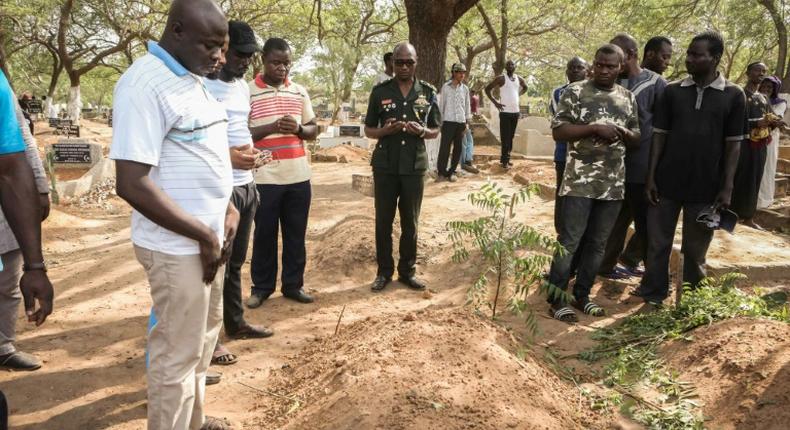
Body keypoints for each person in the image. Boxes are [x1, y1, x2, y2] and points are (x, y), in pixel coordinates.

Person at [109, 1, 238, 428]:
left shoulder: (192, 78)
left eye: (223, 47)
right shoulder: (144, 84)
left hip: (209, 241)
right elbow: (131, 182)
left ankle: (194, 422)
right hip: (178, 248)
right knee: (175, 358)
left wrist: (228, 207)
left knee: (200, 345)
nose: (219, 57)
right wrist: (202, 233)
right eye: (211, 45)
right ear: (177, 32)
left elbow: (205, 153)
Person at [637, 31, 746, 307]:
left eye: (697, 55)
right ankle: (653, 296)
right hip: (666, 182)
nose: (689, 59)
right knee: (657, 244)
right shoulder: (672, 91)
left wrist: (727, 186)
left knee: (695, 250)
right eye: (688, 53)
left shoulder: (734, 95)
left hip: (706, 186)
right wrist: (651, 177)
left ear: (715, 58)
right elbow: (659, 135)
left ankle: (690, 303)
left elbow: (734, 146)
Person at [546, 44, 640, 322]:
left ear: (621, 67)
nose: (604, 70)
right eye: (599, 64)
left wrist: (621, 132)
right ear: (593, 65)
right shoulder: (575, 92)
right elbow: (559, 131)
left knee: (598, 243)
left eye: (610, 66)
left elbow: (637, 136)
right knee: (570, 241)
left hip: (612, 185)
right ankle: (557, 298)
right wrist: (595, 128)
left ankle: (582, 295)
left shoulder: (628, 98)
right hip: (578, 183)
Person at [204, 20, 274, 368]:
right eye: (240, 55)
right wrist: (229, 155)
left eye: (250, 56)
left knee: (234, 262)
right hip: (219, 186)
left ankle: (235, 323)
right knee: (214, 263)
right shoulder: (200, 85)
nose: (246, 61)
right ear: (223, 49)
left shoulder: (242, 87)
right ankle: (211, 340)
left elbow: (239, 129)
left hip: (246, 184)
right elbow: (197, 139)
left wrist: (251, 154)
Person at [246, 37, 319, 308]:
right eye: (276, 62)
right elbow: (242, 133)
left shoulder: (299, 91)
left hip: (298, 177)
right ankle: (261, 288)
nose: (282, 68)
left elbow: (314, 128)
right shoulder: (248, 92)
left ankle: (293, 285)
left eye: (286, 63)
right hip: (265, 179)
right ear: (263, 60)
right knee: (264, 235)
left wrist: (299, 130)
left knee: (295, 235)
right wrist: (273, 126)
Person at [365, 42, 440, 292]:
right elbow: (368, 128)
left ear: (416, 62)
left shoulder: (428, 92)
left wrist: (424, 131)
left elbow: (436, 128)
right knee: (383, 221)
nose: (404, 67)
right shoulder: (380, 91)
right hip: (385, 166)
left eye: (409, 62)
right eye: (400, 62)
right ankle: (384, 272)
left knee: (411, 222)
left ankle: (407, 271)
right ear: (392, 63)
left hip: (414, 166)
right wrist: (385, 131)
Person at [598, 34, 668, 280]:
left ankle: (653, 281)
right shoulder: (612, 83)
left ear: (631, 54)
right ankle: (605, 266)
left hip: (642, 168)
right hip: (613, 167)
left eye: (618, 57)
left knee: (646, 224)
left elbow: (663, 129)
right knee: (614, 220)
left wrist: (656, 170)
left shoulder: (657, 84)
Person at [0, 72, 54, 371]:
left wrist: (40, 187)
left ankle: (3, 345)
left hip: (5, 210)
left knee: (6, 281)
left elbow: (20, 148)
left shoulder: (0, 87)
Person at [731, 62, 777, 228]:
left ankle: (749, 217)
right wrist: (756, 122)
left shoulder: (764, 97)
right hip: (743, 144)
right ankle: (732, 214)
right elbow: (735, 121)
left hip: (760, 145)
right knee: (740, 177)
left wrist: (775, 123)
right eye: (758, 70)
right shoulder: (739, 94)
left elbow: (770, 117)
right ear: (748, 73)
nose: (761, 73)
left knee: (756, 177)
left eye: (764, 71)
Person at [550, 56, 588, 234]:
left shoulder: (596, 93)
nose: (575, 71)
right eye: (571, 68)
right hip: (564, 153)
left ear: (587, 71)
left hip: (587, 155)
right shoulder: (559, 92)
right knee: (562, 193)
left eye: (579, 67)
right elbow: (566, 121)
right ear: (566, 71)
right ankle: (561, 231)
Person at [484, 60, 527, 168]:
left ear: (515, 67)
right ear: (505, 67)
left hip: (515, 112)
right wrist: (495, 103)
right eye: (508, 64)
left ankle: (507, 158)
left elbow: (525, 87)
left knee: (511, 136)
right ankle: (504, 161)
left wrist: (518, 95)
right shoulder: (501, 78)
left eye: (512, 64)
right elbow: (487, 89)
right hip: (505, 113)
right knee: (505, 137)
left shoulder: (519, 79)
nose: (510, 66)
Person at [436, 63, 471, 182]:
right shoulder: (446, 87)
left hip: (460, 122)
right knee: (444, 148)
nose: (462, 75)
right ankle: (441, 173)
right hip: (448, 122)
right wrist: (440, 123)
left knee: (458, 148)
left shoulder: (465, 89)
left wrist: (467, 123)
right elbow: (441, 106)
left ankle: (452, 172)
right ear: (454, 73)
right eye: (460, 72)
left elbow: (467, 106)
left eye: (464, 72)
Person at [757, 76, 788, 209]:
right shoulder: (754, 98)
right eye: (764, 85)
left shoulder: (781, 103)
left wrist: (766, 100)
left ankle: (763, 202)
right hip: (753, 138)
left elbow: (775, 119)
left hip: (769, 140)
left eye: (769, 87)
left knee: (766, 167)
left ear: (774, 89)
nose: (765, 89)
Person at [459, 90, 479, 174]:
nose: (471, 95)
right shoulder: (463, 101)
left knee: (468, 142)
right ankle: (465, 162)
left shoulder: (469, 100)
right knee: (465, 142)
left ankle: (467, 161)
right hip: (462, 123)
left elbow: (470, 114)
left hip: (465, 123)